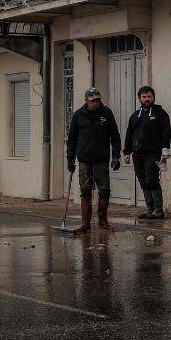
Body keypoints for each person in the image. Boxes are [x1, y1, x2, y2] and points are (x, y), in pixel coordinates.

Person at [65, 88, 121, 233]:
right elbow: (72, 139)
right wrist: (70, 158)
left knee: (104, 190)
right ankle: (85, 223)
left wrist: (116, 156)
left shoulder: (106, 113)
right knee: (85, 191)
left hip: (102, 159)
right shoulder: (78, 115)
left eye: (97, 100)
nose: (95, 103)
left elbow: (115, 136)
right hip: (84, 159)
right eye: (92, 101)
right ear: (86, 101)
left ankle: (103, 221)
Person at [123, 86, 171, 220]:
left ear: (153, 98)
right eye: (144, 97)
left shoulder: (160, 113)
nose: (147, 99)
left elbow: (166, 132)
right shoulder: (135, 116)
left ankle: (158, 210)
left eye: (149, 96)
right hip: (137, 154)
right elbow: (129, 134)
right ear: (140, 98)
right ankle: (150, 210)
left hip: (152, 153)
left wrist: (165, 148)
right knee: (143, 181)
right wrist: (127, 152)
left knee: (152, 180)